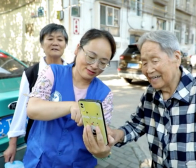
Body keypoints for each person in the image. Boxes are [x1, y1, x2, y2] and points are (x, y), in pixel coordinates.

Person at [103, 30, 196, 167]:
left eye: (154, 61)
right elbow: (136, 125)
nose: (148, 70)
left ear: (176, 58)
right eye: (144, 63)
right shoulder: (150, 93)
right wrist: (115, 134)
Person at [23, 28, 116, 167]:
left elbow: (101, 139)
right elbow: (32, 109)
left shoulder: (105, 94)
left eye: (103, 62)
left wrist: (103, 151)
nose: (95, 65)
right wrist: (71, 105)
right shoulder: (52, 73)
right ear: (78, 49)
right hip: (40, 161)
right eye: (91, 56)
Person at [3, 23, 69, 163]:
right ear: (42, 43)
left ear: (65, 44)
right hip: (38, 142)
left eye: (60, 39)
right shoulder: (31, 73)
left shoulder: (72, 72)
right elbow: (21, 109)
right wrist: (12, 144)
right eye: (50, 39)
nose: (55, 43)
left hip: (66, 141)